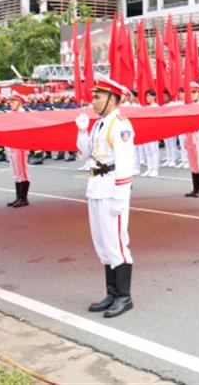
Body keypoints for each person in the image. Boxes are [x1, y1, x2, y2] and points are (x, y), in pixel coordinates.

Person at [75, 77, 136, 318]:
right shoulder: (99, 124)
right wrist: (81, 130)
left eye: (97, 97)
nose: (93, 101)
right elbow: (84, 154)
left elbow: (125, 162)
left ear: (112, 99)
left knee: (117, 243)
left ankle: (124, 296)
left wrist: (121, 195)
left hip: (113, 188)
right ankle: (111, 293)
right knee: (102, 242)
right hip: (97, 185)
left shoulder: (120, 125)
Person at [4, 94, 32, 208]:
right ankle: (18, 197)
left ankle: (23, 198)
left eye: (13, 101)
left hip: (20, 145)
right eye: (10, 102)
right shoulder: (12, 114)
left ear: (19, 102)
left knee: (22, 172)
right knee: (16, 173)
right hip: (12, 145)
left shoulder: (23, 114)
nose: (10, 104)